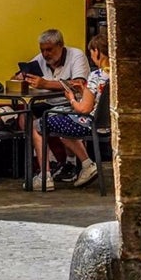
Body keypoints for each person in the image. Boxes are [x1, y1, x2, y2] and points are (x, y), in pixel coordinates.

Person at [30, 32, 110, 189]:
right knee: (60, 120)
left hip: (89, 123)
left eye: (92, 53)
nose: (91, 57)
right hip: (106, 124)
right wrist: (85, 90)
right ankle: (86, 165)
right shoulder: (115, 75)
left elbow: (84, 109)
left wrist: (72, 98)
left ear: (98, 53)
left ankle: (45, 177)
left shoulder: (96, 76)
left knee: (38, 125)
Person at [14, 28, 90, 182]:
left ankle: (70, 164)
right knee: (25, 116)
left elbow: (78, 84)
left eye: (49, 50)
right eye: (42, 50)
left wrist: (45, 84)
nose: (45, 54)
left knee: (54, 118)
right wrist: (20, 77)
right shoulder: (40, 59)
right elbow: (17, 77)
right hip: (50, 103)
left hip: (73, 103)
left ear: (60, 45)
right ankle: (50, 161)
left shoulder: (76, 56)